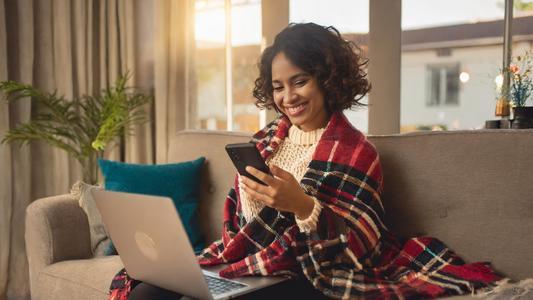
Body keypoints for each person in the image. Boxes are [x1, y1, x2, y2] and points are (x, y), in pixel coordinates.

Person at [109, 23, 501, 300]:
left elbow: (358, 247)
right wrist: (256, 205)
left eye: (300, 81)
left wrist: (302, 205)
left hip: (311, 275)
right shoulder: (263, 142)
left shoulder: (356, 151)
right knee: (146, 291)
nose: (288, 97)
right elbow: (242, 230)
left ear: (327, 79)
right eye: (278, 86)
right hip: (253, 266)